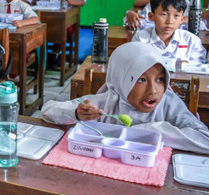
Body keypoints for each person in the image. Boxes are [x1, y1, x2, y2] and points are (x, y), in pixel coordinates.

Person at [41, 42, 209, 154]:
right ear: (120, 80)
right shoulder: (103, 104)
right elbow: (47, 111)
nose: (154, 90)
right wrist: (75, 113)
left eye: (160, 79)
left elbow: (204, 138)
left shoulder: (168, 104)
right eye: (141, 80)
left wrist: (150, 132)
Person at [131, 0, 206, 63]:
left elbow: (200, 67)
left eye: (176, 16)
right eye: (164, 14)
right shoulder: (140, 39)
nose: (169, 21)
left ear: (182, 19)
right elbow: (134, 64)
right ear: (151, 16)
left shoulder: (191, 41)